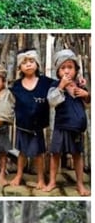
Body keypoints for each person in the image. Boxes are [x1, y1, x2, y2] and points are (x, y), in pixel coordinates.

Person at [43, 49, 90, 196]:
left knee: (77, 154)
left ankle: (80, 184)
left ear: (76, 70)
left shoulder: (80, 86)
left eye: (70, 67)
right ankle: (52, 182)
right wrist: (61, 87)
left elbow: (88, 104)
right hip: (61, 126)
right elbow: (52, 101)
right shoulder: (55, 86)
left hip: (76, 128)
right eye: (63, 68)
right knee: (55, 154)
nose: (67, 71)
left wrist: (87, 94)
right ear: (58, 72)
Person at [9, 49, 54, 189]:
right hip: (22, 125)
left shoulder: (46, 82)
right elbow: (7, 98)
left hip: (38, 126)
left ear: (37, 64)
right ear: (19, 67)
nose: (28, 65)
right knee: (22, 152)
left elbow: (62, 85)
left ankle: (41, 178)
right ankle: (19, 175)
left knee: (39, 154)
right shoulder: (16, 85)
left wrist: (79, 82)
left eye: (31, 61)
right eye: (24, 62)